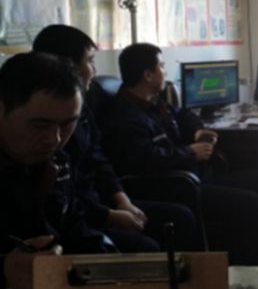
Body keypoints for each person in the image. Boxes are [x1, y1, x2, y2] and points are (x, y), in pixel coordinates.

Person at [102, 43, 258, 265]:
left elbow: (184, 115)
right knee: (249, 202)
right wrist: (189, 153)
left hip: (194, 176)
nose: (165, 72)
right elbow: (147, 159)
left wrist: (197, 132)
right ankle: (250, 268)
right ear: (148, 75)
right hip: (175, 187)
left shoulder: (153, 102)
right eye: (162, 66)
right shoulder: (125, 117)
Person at [33, 25, 198, 253]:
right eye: (90, 61)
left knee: (181, 217)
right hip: (82, 214)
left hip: (99, 201)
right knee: (148, 246)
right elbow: (66, 197)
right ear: (67, 66)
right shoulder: (50, 131)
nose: (94, 70)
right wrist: (108, 216)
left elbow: (99, 161)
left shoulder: (84, 109)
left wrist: (123, 201)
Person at [0, 52, 115, 289]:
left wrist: (111, 264)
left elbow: (72, 226)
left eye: (67, 124)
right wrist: (3, 271)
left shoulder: (57, 163)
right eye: (40, 125)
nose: (55, 139)